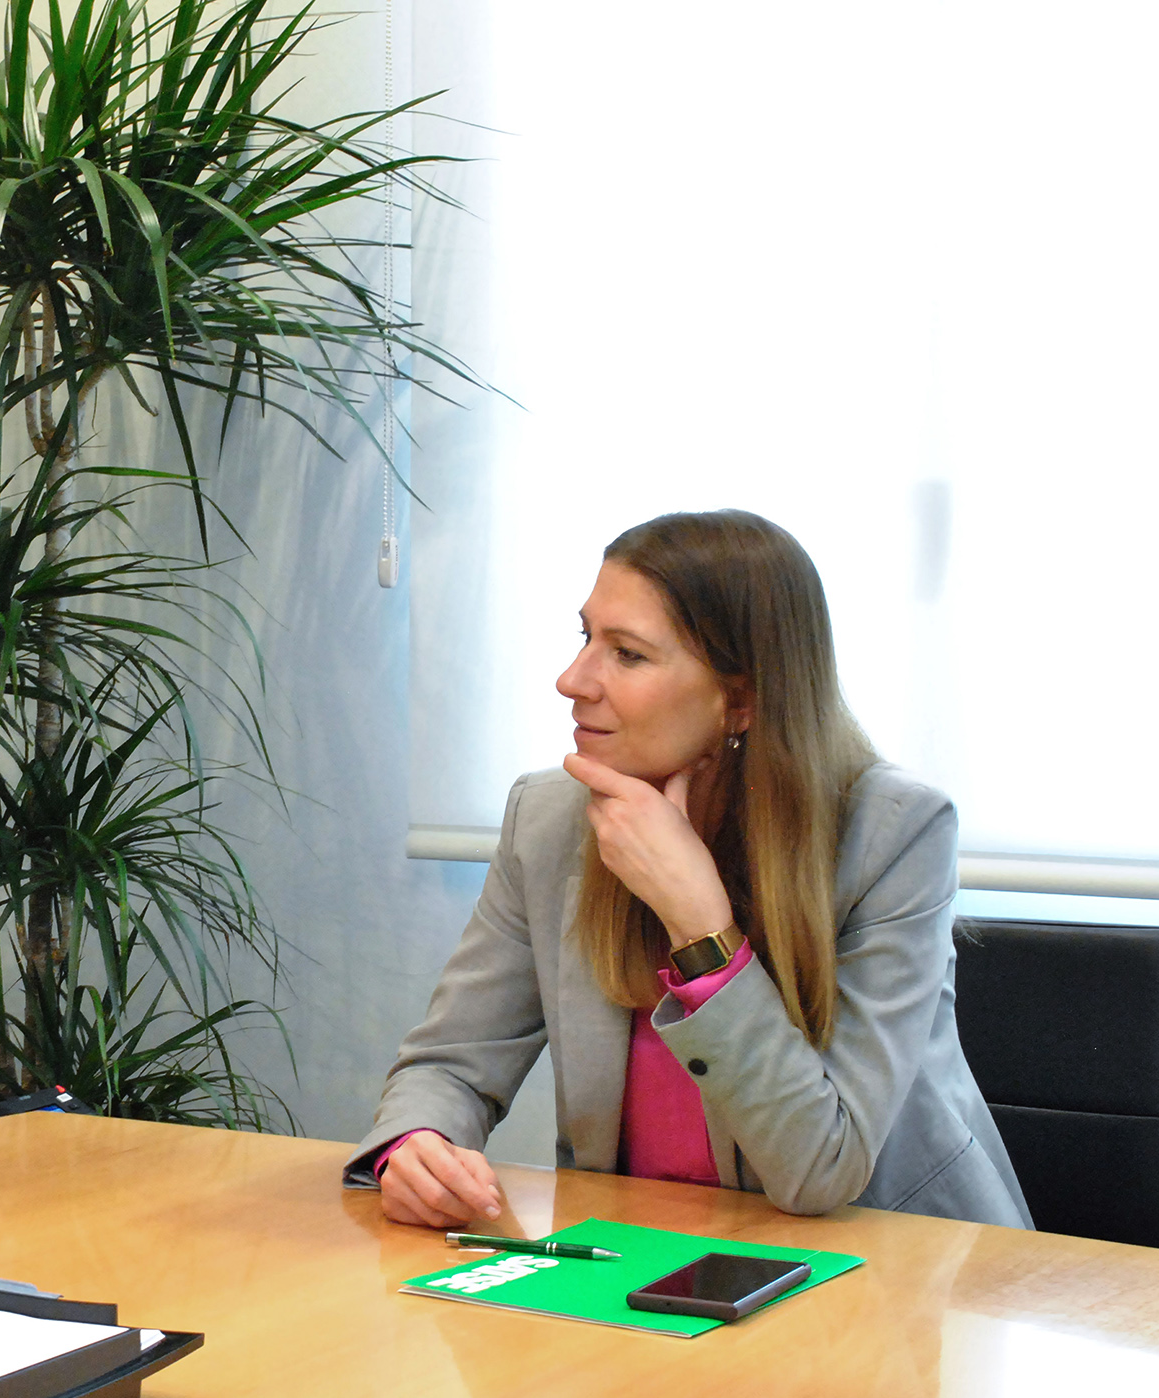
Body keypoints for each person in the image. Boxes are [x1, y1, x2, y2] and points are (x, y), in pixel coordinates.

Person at [351, 510, 1029, 1228]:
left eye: (629, 655)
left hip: (889, 1269)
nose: (572, 679)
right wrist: (415, 1144)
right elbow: (451, 1063)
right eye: (586, 638)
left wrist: (698, 923)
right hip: (642, 1261)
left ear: (739, 700)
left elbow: (820, 1170)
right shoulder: (548, 819)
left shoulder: (893, 836)